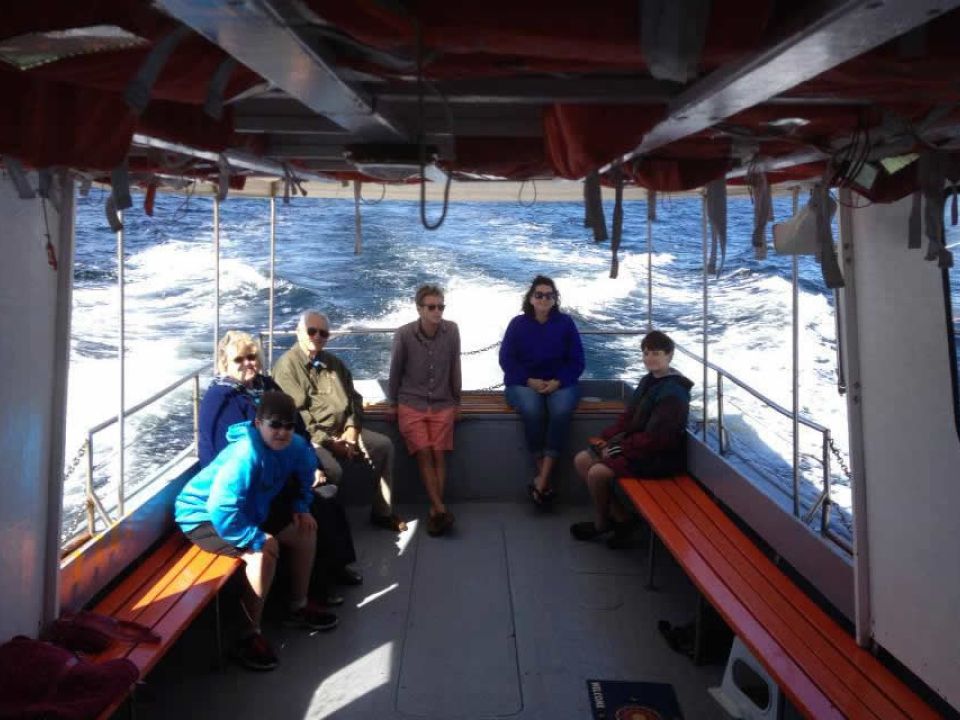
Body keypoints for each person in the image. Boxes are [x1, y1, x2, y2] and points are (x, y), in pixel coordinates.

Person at [175, 391, 338, 672]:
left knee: (305, 531)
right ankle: (248, 635)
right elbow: (220, 507)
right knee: (262, 553)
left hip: (249, 509)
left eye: (288, 426)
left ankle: (297, 606)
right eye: (275, 425)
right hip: (201, 516)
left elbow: (305, 474)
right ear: (258, 423)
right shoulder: (245, 454)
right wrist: (254, 538)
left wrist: (301, 507)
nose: (282, 432)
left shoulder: (296, 446)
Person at [198, 330, 362, 600]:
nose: (248, 363)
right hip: (245, 487)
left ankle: (335, 569)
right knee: (310, 512)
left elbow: (298, 428)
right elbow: (239, 457)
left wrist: (312, 465)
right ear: (224, 363)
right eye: (239, 359)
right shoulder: (221, 399)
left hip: (278, 470)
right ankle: (315, 590)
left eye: (252, 357)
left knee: (326, 495)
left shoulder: (266, 385)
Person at [273, 310, 407, 532]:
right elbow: (297, 417)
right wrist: (330, 442)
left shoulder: (334, 364)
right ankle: (325, 526)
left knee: (384, 446)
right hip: (310, 439)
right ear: (299, 332)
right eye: (311, 331)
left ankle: (382, 513)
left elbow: (355, 398)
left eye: (323, 333)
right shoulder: (287, 367)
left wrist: (352, 428)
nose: (317, 336)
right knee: (332, 470)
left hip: (343, 431)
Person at [570, 330, 693, 548]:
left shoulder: (673, 393)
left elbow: (658, 439)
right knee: (582, 460)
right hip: (638, 446)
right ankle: (622, 519)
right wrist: (607, 437)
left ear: (669, 355)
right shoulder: (649, 381)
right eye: (646, 353)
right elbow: (629, 417)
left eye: (656, 353)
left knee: (598, 473)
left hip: (659, 458)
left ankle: (602, 524)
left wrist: (619, 448)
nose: (650, 358)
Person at [499, 275, 585, 506]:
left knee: (561, 411)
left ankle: (542, 481)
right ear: (531, 298)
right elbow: (506, 359)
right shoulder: (517, 324)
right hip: (523, 383)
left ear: (555, 299)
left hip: (560, 383)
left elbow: (577, 361)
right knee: (532, 409)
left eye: (549, 295)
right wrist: (529, 381)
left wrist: (558, 381)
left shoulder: (565, 323)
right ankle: (544, 478)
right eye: (539, 295)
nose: (544, 299)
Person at [387, 284, 461, 536]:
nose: (437, 311)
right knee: (424, 452)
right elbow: (395, 371)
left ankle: (436, 511)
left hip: (442, 402)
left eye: (441, 306)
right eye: (431, 307)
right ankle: (440, 508)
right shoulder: (404, 334)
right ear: (419, 309)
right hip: (411, 403)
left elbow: (455, 366)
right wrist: (393, 403)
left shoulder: (452, 331)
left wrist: (457, 401)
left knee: (439, 453)